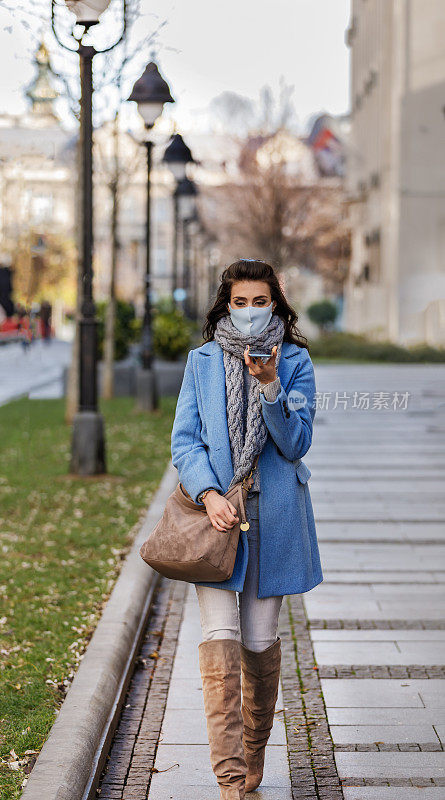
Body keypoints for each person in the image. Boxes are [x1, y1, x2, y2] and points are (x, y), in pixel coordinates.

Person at [170, 259, 323, 800]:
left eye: (262, 302)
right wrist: (210, 495)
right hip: (219, 521)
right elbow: (185, 441)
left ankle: (253, 750)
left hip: (274, 519)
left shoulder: (297, 362)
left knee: (258, 645)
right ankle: (230, 780)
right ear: (226, 305)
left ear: (276, 305)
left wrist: (271, 386)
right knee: (219, 640)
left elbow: (296, 443)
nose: (252, 312)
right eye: (241, 302)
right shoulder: (202, 361)